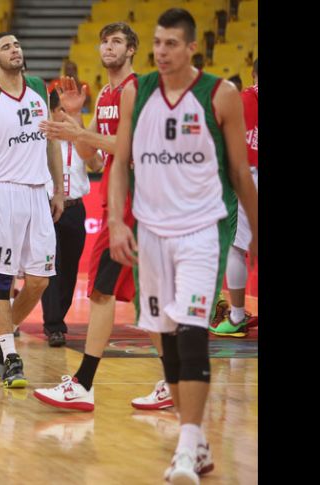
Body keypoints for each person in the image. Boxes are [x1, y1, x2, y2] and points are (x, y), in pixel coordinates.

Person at [114, 9, 256, 483]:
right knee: (169, 344)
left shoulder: (222, 95)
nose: (161, 51)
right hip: (151, 234)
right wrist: (117, 221)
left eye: (171, 43)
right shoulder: (139, 90)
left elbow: (240, 173)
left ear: (192, 48)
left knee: (194, 334)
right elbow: (120, 162)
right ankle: (196, 442)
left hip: (199, 232)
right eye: (157, 42)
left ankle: (184, 446)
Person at [34, 22, 172, 411]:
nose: (107, 47)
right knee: (146, 298)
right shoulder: (109, 93)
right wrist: (78, 124)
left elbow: (126, 147)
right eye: (104, 41)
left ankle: (83, 383)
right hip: (121, 201)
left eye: (116, 42)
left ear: (131, 50)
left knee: (101, 292)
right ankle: (174, 381)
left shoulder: (133, 89)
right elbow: (92, 158)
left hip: (132, 203)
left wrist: (76, 131)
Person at [0, 32, 65, 389]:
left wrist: (59, 188)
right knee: (2, 280)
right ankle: (10, 353)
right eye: (6, 47)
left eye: (17, 45)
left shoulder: (39, 88)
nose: (15, 50)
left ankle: (1, 336)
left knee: (39, 281)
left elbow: (50, 140)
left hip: (38, 192)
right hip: (1, 193)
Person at [40, 88, 103, 347]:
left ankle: (59, 318)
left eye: (69, 111)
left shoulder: (80, 138)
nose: (65, 115)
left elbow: (97, 165)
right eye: (62, 110)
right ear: (53, 111)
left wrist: (80, 133)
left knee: (70, 269)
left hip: (76, 208)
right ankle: (53, 324)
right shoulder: (41, 137)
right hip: (48, 207)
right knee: (50, 267)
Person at [210, 58, 258, 337]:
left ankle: (237, 315)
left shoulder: (241, 100)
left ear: (253, 75)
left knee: (237, 247)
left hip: (247, 177)